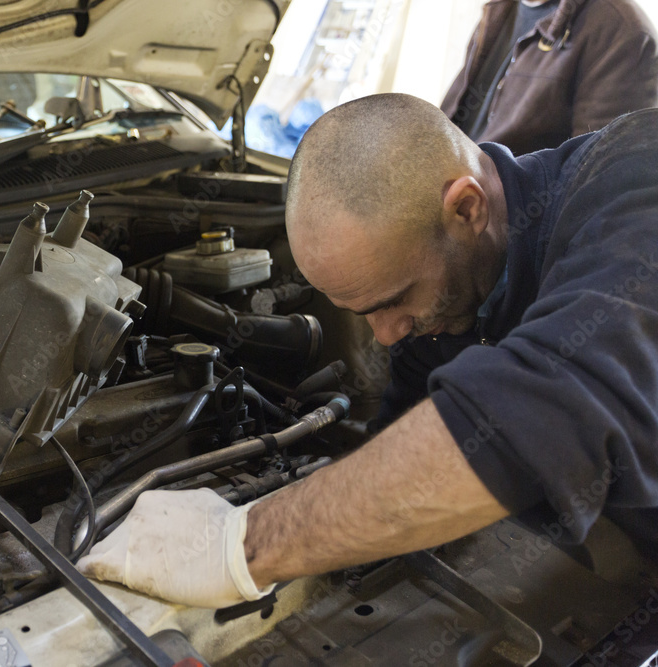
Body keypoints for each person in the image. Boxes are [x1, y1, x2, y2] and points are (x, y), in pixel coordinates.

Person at [77, 93, 658, 609]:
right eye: (363, 313)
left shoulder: (637, 182)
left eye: (395, 299)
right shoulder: (440, 307)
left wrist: (241, 545)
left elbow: (553, 406)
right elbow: (401, 447)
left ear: (466, 210)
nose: (384, 335)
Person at [442, 0, 658, 155]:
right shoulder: (500, 10)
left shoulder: (621, 31)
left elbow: (598, 174)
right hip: (451, 191)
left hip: (499, 212)